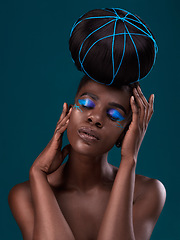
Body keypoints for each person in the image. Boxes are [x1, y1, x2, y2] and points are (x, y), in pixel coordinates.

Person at [8, 8, 166, 240]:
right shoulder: (26, 194)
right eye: (86, 103)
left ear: (129, 130)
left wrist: (129, 160)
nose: (95, 118)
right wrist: (38, 175)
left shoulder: (147, 193)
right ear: (69, 111)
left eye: (113, 115)